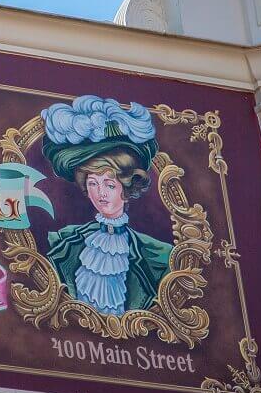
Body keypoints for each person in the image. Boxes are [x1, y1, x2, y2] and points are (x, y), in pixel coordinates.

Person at [42, 96, 171, 315]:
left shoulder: (158, 254)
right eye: (93, 183)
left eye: (109, 184)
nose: (100, 193)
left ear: (128, 187)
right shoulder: (65, 241)